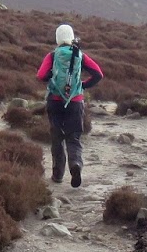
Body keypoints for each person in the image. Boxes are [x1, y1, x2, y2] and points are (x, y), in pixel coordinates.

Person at [35, 22, 103, 186]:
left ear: (57, 38)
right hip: (75, 101)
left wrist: (52, 77)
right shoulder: (80, 55)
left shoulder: (52, 55)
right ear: (71, 37)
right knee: (74, 137)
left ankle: (57, 175)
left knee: (57, 138)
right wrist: (82, 85)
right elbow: (98, 74)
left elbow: (41, 75)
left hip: (55, 101)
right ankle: (76, 164)